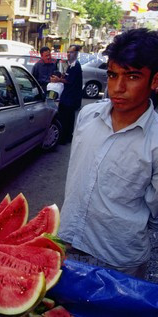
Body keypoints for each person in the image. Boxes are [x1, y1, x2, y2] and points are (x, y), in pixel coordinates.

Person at [58, 28, 158, 279]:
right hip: (66, 244)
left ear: (155, 81)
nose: (118, 87)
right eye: (112, 75)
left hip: (118, 260)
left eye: (132, 76)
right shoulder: (87, 116)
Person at [51, 44, 83, 144]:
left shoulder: (76, 66)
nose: (69, 54)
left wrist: (58, 80)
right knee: (67, 117)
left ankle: (65, 137)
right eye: (68, 52)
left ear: (76, 54)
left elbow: (70, 81)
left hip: (71, 97)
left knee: (66, 118)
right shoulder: (71, 65)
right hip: (68, 96)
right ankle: (67, 136)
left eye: (71, 52)